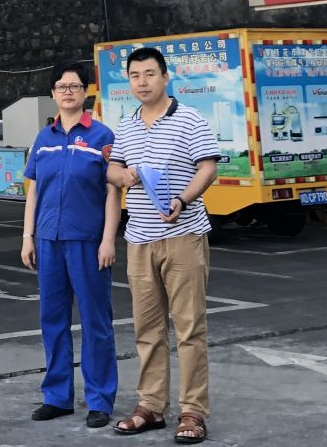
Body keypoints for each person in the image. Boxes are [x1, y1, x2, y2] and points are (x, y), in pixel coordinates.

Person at [106, 46, 219, 443]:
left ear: (165, 77)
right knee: (147, 328)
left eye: (149, 74)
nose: (142, 82)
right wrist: (123, 176)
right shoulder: (127, 125)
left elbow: (208, 168)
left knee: (189, 328)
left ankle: (193, 412)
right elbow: (113, 168)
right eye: (135, 76)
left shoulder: (190, 119)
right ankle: (151, 406)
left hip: (183, 236)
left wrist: (182, 200)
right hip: (139, 240)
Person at [21, 61, 120, 428]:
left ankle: (99, 400)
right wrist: (28, 236)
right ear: (53, 93)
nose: (68, 92)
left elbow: (113, 192)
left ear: (86, 92)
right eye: (61, 87)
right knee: (52, 319)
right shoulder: (43, 139)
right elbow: (34, 191)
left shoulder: (101, 136)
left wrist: (108, 240)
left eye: (74, 86)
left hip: (88, 241)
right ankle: (57, 396)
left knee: (96, 321)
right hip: (48, 240)